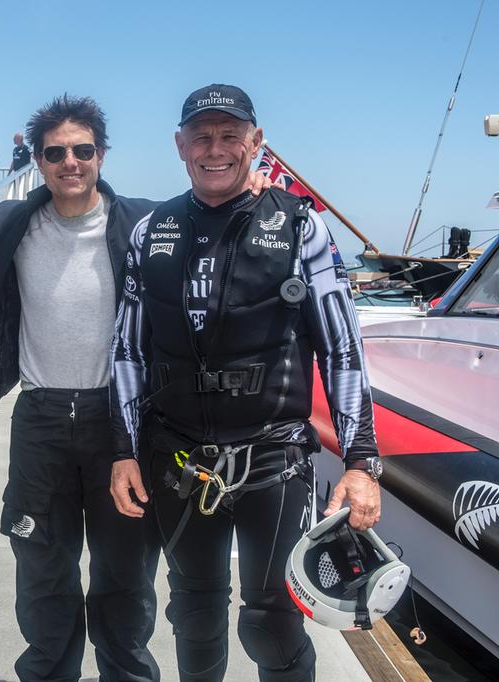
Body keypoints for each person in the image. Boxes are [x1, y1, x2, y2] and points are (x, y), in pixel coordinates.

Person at [111, 83, 382, 681]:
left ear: (255, 143)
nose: (216, 149)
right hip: (179, 459)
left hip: (274, 460)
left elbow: (342, 347)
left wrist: (362, 461)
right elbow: (127, 350)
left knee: (271, 621)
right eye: (201, 136)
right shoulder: (148, 231)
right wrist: (124, 451)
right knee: (194, 613)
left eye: (230, 135)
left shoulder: (300, 229)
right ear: (179, 145)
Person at [0, 94, 161, 682]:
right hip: (39, 420)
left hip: (117, 425)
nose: (71, 162)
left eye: (83, 150)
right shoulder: (13, 226)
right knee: (41, 574)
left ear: (102, 155)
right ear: (38, 160)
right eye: (56, 152)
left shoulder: (143, 225)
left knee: (126, 577)